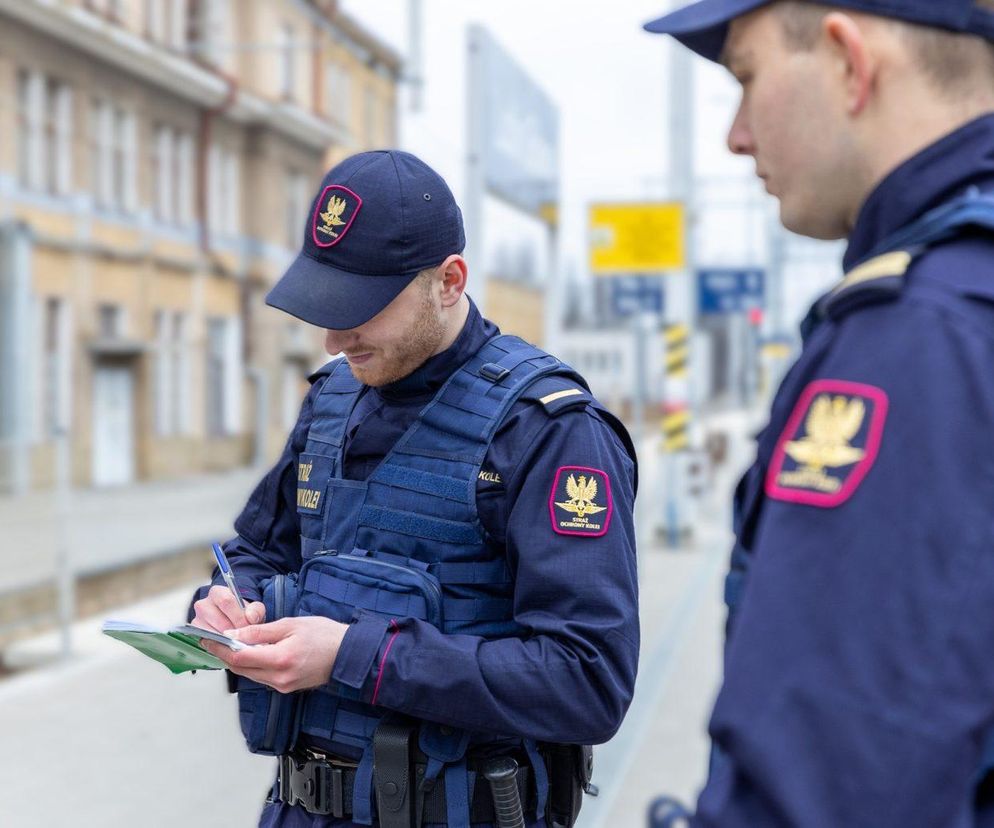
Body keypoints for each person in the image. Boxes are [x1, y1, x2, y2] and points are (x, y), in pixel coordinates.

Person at [188, 149, 639, 828]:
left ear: (449, 282)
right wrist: (227, 602)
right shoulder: (333, 402)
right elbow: (256, 549)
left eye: (360, 308)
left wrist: (351, 655)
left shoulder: (549, 433)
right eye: (323, 307)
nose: (334, 339)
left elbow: (585, 679)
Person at [643, 1, 994, 825]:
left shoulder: (920, 337)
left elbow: (828, 785)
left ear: (848, 60)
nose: (735, 133)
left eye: (747, 76)